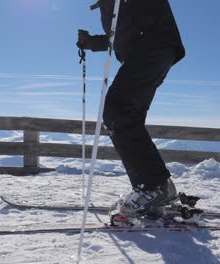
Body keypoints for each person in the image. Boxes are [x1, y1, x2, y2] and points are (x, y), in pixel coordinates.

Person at [76, 0, 185, 218]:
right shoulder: (107, 5)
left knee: (117, 110)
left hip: (153, 46)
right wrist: (91, 42)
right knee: (125, 117)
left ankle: (153, 187)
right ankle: (156, 188)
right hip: (148, 52)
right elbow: (118, 36)